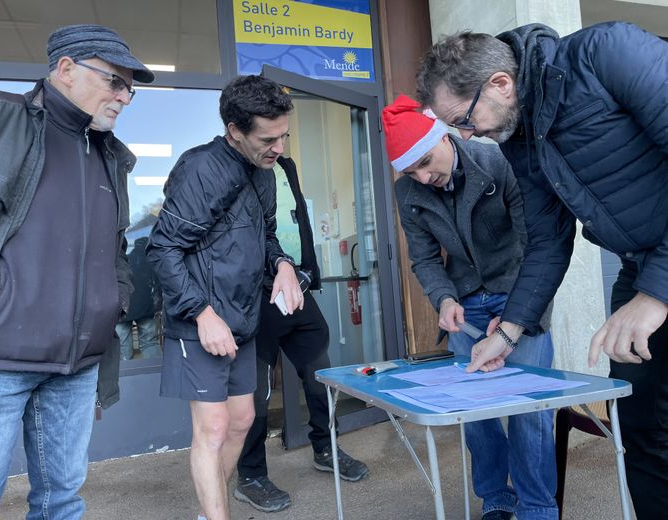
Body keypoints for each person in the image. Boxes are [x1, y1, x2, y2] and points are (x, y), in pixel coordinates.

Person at [416, 22, 668, 519]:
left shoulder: (607, 55)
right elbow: (548, 241)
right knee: (642, 431)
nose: (466, 136)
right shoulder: (519, 132)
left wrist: (656, 293)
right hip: (642, 271)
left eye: (462, 120)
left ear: (500, 84)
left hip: (655, 277)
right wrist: (507, 334)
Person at [0, 24, 154, 519]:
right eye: (115, 82)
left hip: (77, 366)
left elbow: (115, 249)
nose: (124, 97)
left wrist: (113, 299)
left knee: (63, 503)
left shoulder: (112, 156)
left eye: (130, 89)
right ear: (66, 69)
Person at [381, 95, 557, 520]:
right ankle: (496, 498)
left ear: (443, 136)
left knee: (529, 406)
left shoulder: (497, 162)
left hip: (519, 292)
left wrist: (515, 316)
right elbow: (423, 258)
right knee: (473, 410)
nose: (424, 177)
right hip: (465, 302)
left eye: (426, 162)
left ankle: (538, 508)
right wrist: (443, 299)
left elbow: (538, 245)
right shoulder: (409, 193)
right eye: (411, 172)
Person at [146, 75, 304, 520]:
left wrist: (284, 265)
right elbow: (162, 248)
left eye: (284, 135)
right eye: (267, 138)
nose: (278, 147)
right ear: (235, 130)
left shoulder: (265, 174)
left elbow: (267, 236)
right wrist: (201, 313)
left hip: (244, 319)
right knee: (212, 428)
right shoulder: (200, 169)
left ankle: (208, 510)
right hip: (200, 321)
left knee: (241, 421)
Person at [234, 156, 368, 513]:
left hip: (295, 285)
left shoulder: (287, 165)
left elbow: (298, 219)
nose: (279, 143)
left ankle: (325, 448)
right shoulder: (237, 165)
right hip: (257, 291)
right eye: (271, 135)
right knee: (256, 391)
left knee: (318, 372)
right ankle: (249, 476)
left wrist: (309, 270)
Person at [116, 236, 162, 360]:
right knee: (149, 342)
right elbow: (157, 283)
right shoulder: (151, 260)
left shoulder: (122, 259)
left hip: (122, 307)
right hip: (145, 307)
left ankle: (125, 377)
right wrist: (158, 303)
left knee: (122, 344)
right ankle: (155, 372)